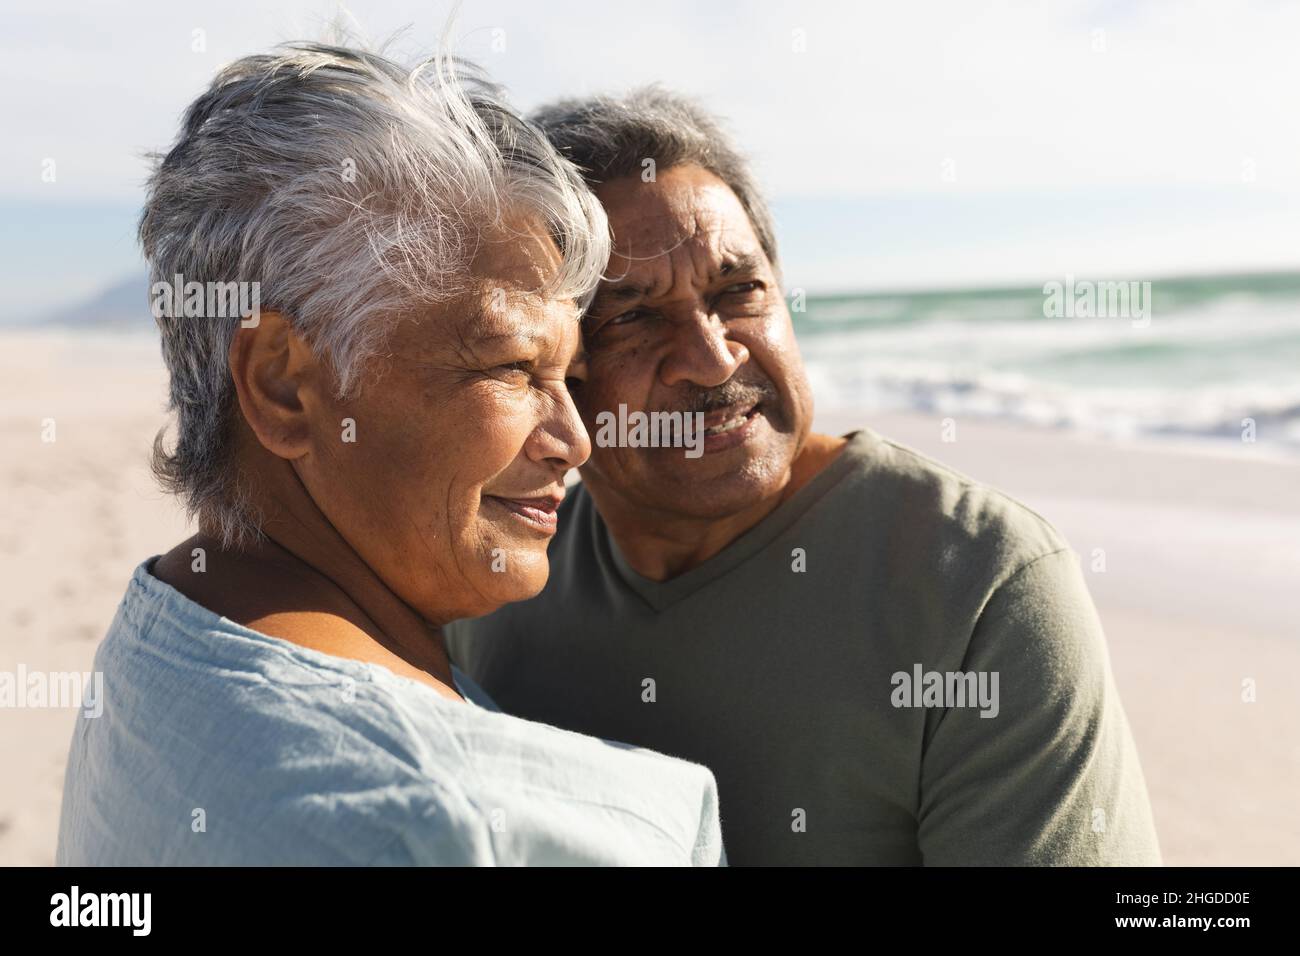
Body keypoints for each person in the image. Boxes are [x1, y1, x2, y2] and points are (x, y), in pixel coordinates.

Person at [446, 88, 1162, 866]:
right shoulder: (499, 582)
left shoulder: (980, 583)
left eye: (738, 292)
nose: (715, 357)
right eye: (634, 318)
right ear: (553, 361)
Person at [56, 47, 723, 867]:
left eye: (569, 377)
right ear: (284, 386)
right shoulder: (457, 825)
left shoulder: (170, 628)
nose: (574, 439)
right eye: (513, 368)